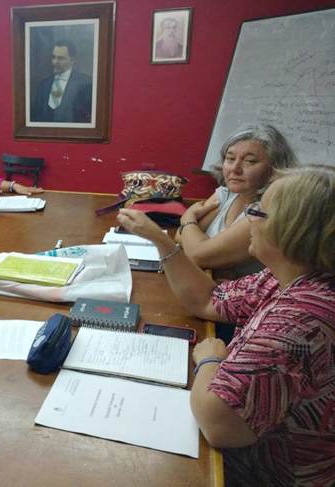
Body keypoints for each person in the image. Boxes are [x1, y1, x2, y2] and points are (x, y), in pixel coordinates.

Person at [116, 165, 335, 486]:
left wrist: (210, 360)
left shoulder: (301, 318)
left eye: (259, 211)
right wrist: (160, 240)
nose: (250, 218)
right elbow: (209, 299)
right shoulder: (286, 277)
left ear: (293, 230)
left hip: (274, 474)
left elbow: (219, 423)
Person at [175, 124, 297, 280]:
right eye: (230, 159)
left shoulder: (265, 213)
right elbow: (180, 236)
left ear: (275, 168)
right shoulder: (226, 194)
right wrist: (199, 245)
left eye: (249, 161)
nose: (235, 169)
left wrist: (188, 217)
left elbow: (197, 255)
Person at [31, 40, 92, 123]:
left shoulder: (86, 83)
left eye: (61, 58)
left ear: (73, 60)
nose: (55, 62)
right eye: (53, 57)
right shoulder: (43, 84)